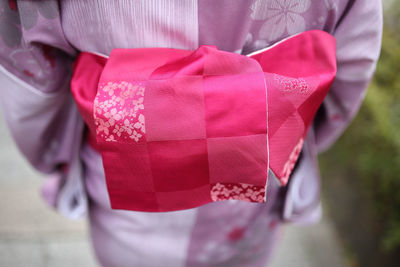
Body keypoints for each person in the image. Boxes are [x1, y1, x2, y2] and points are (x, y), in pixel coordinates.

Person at [0, 1, 382, 266]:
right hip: (245, 207)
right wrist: (293, 142)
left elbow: (31, 86)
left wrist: (55, 156)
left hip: (124, 198)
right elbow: (349, 74)